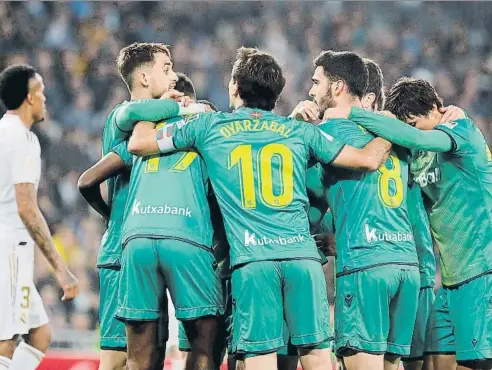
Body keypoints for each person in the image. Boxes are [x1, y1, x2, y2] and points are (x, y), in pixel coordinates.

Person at [125, 46, 392, 370]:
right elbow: (368, 159)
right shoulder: (300, 131)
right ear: (276, 94)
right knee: (318, 358)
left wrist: (161, 105)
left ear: (235, 87)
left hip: (254, 262)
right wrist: (386, 125)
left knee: (260, 359)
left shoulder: (209, 127)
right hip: (302, 260)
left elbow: (139, 142)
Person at [347, 77, 492, 370]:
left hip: (487, 272)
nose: (408, 133)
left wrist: (349, 112)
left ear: (434, 108)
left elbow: (417, 138)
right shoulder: (419, 153)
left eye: (413, 124)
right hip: (452, 283)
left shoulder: (461, 130)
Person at [79, 69, 223, 370]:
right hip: (189, 240)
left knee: (137, 354)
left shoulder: (145, 136)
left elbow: (87, 179)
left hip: (133, 240)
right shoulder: (206, 132)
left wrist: (113, 217)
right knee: (200, 345)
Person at [303, 51, 421, 370]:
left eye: (316, 83)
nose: (311, 91)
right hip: (406, 266)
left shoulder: (326, 133)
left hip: (366, 267)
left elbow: (300, 195)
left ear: (338, 87)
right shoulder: (393, 136)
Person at [0, 64, 79, 370]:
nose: (45, 99)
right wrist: (60, 268)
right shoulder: (23, 139)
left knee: (40, 335)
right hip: (6, 248)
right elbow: (26, 207)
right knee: (2, 343)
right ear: (29, 98)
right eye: (41, 92)